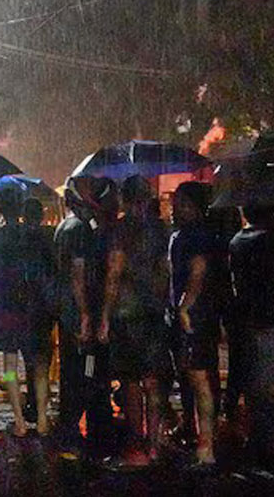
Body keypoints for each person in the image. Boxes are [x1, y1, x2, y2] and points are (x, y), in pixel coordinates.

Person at [100, 176, 170, 466]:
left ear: (124, 200)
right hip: (155, 312)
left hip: (126, 314)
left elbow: (114, 274)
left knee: (130, 383)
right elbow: (165, 270)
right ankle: (154, 445)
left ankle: (136, 445)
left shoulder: (120, 230)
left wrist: (104, 316)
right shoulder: (161, 228)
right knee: (153, 381)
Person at [54, 176, 119, 460]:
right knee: (87, 373)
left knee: (74, 374)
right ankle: (80, 434)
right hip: (80, 316)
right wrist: (85, 317)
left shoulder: (64, 227)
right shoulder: (80, 230)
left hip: (68, 314)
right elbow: (78, 276)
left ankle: (71, 431)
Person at [226, 204, 274, 463]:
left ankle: (259, 439)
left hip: (247, 317)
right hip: (273, 317)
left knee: (255, 384)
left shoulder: (238, 241)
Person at [0, 191, 56, 438]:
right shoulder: (42, 236)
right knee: (39, 367)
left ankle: (19, 421)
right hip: (35, 309)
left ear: (2, 210)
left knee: (9, 367)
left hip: (7, 308)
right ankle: (42, 419)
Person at [169, 181, 227, 467]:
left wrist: (184, 305)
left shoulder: (195, 236)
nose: (173, 208)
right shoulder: (202, 234)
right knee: (199, 377)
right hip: (204, 316)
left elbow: (198, 269)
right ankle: (203, 437)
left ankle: (206, 448)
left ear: (192, 206)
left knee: (200, 378)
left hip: (196, 317)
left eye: (178, 202)